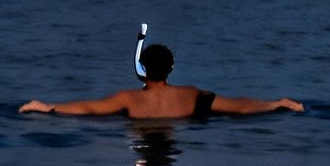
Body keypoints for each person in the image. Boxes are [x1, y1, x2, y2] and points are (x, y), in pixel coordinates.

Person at [20, 44, 303, 118]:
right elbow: (239, 106)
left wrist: (48, 107)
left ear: (142, 69)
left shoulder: (128, 99)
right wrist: (275, 103)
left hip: (140, 136)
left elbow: (88, 108)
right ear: (171, 68)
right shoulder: (191, 95)